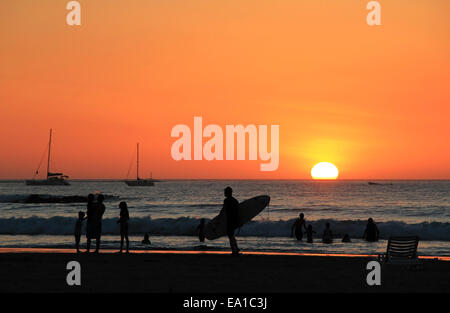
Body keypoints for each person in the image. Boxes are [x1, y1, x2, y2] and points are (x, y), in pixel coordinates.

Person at [222, 186, 240, 255]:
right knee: (231, 235)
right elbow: (238, 211)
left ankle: (234, 250)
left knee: (230, 235)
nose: (224, 193)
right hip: (235, 220)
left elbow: (223, 210)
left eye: (225, 192)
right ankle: (236, 248)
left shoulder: (226, 200)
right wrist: (239, 221)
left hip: (230, 220)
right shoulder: (235, 200)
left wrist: (219, 217)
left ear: (228, 193)